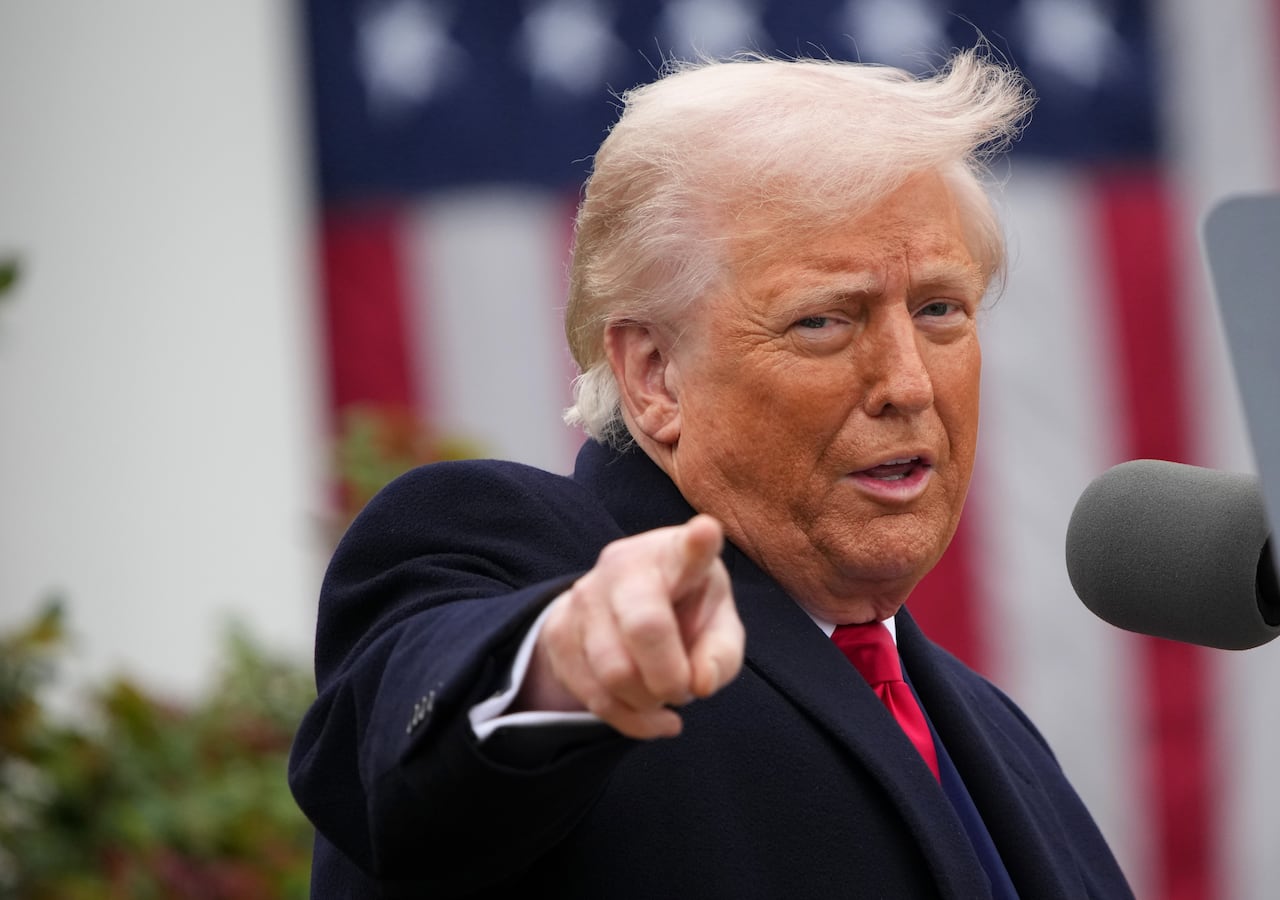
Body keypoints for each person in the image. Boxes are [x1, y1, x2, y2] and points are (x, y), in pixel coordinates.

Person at [290, 49, 1134, 899]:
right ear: (655, 375)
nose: (909, 383)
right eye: (823, 321)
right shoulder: (530, 572)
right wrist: (557, 669)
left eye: (939, 309)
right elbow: (400, 755)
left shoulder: (1003, 741)